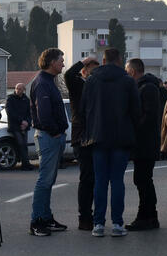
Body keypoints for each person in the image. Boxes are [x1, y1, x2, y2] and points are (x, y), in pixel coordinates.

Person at [80, 49, 141, 237]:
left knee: (100, 180)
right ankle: (117, 223)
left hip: (98, 137)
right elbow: (136, 111)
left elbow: (83, 109)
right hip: (121, 137)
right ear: (119, 60)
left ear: (104, 60)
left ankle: (98, 224)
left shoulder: (91, 80)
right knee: (117, 180)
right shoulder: (128, 81)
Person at [28, 48, 69, 236]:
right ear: (52, 62)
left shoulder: (48, 81)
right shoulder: (42, 83)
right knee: (44, 180)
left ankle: (45, 217)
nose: (63, 63)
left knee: (48, 180)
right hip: (48, 137)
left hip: (51, 136)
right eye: (61, 60)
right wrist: (55, 132)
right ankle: (37, 221)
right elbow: (44, 114)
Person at [125, 57, 162, 231]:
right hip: (144, 142)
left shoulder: (147, 88)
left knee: (143, 180)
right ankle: (149, 216)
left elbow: (148, 116)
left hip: (145, 143)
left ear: (133, 71)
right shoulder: (143, 87)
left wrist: (134, 128)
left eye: (127, 72)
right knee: (142, 180)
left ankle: (146, 217)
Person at [65, 56, 100, 229]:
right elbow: (68, 74)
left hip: (96, 136)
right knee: (87, 179)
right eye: (92, 71)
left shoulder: (98, 86)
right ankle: (84, 217)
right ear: (84, 72)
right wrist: (84, 61)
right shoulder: (77, 84)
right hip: (81, 137)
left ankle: (94, 216)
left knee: (95, 179)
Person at [5, 82, 33, 170]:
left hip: (25, 126)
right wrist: (22, 121)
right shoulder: (10, 99)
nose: (18, 90)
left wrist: (27, 122)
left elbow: (29, 113)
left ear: (23, 90)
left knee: (25, 144)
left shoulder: (26, 99)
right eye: (16, 88)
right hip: (15, 126)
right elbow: (10, 113)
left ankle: (26, 163)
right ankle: (25, 164)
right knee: (21, 144)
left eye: (20, 89)